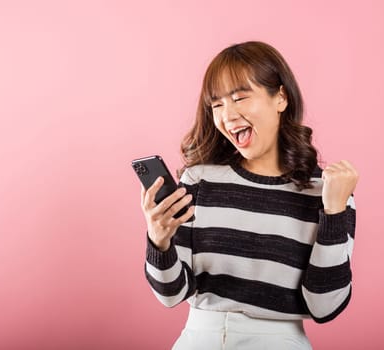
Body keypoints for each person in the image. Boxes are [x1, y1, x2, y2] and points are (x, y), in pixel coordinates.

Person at [139, 41, 358, 349]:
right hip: (198, 339)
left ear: (280, 98)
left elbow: (326, 306)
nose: (227, 116)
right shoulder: (199, 180)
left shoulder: (327, 192)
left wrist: (333, 213)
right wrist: (158, 241)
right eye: (217, 105)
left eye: (240, 98)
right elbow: (171, 294)